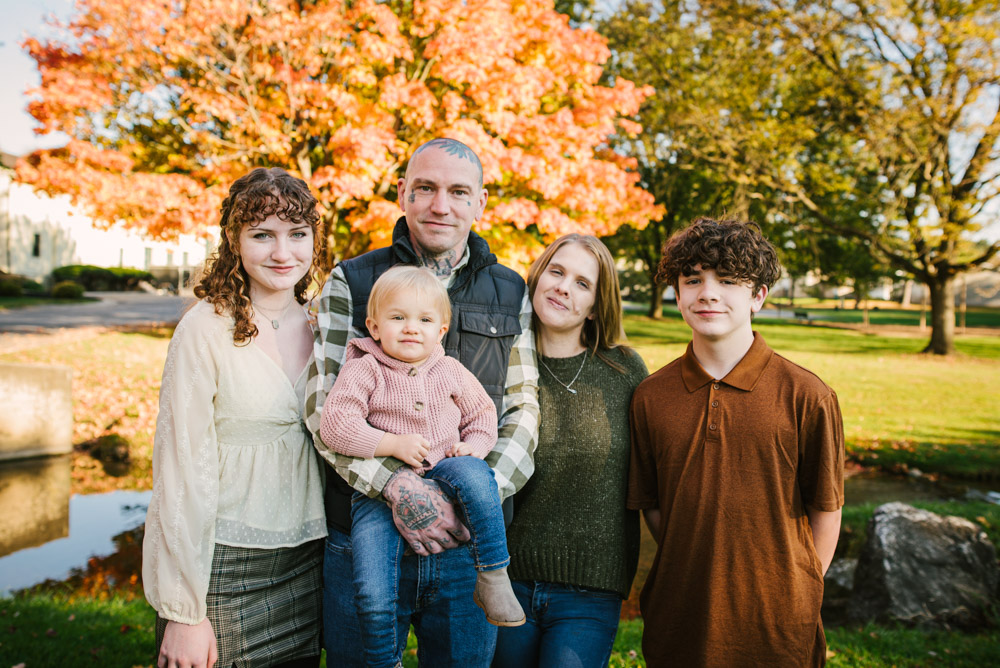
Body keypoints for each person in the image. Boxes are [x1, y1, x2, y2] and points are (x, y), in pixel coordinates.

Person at [304, 138, 539, 667]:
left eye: (458, 192)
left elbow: (521, 408)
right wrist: (398, 487)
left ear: (480, 202)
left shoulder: (510, 290)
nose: (441, 205)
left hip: (466, 548)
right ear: (402, 193)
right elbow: (324, 410)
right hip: (364, 531)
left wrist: (469, 498)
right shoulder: (352, 281)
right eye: (426, 188)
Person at [627, 217, 845, 667]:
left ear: (758, 296)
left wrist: (798, 588)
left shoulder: (807, 395)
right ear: (677, 295)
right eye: (693, 280)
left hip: (778, 625)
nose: (708, 293)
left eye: (727, 280)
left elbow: (826, 509)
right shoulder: (650, 396)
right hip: (680, 617)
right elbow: (653, 504)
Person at [142, 168, 327, 668]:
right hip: (221, 565)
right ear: (234, 240)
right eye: (262, 235)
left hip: (309, 561)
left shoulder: (325, 324)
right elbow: (179, 469)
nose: (283, 252)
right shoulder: (205, 329)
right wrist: (185, 610)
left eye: (297, 234)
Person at [320, 266, 525, 666]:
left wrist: (473, 447)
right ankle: (383, 659)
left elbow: (483, 414)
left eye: (425, 320)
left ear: (441, 331)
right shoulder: (365, 368)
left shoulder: (449, 370)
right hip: (380, 497)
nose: (411, 328)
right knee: (372, 589)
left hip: (448, 469)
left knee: (477, 477)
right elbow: (336, 425)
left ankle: (493, 574)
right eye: (398, 317)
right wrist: (390, 444)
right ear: (374, 327)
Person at [493, 234, 648, 668]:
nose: (563, 287)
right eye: (556, 272)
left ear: (596, 306)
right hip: (506, 579)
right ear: (537, 277)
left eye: (582, 283)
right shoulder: (500, 365)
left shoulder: (624, 370)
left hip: (591, 589)